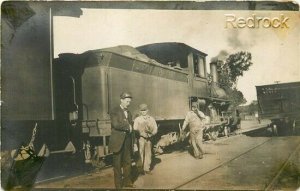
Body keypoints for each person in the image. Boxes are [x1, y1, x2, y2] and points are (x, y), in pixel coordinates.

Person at [108, 92, 135, 188]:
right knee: (117, 165)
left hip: (127, 142)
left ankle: (128, 182)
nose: (129, 103)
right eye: (127, 101)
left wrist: (133, 142)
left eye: (130, 102)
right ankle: (118, 186)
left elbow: (132, 127)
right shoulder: (114, 111)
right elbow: (115, 124)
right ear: (121, 100)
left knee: (128, 162)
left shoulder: (129, 113)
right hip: (117, 142)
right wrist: (128, 126)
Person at [133, 104, 158, 175]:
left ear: (147, 110)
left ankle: (147, 168)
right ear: (140, 111)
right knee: (140, 153)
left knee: (148, 153)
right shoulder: (137, 119)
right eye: (142, 110)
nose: (143, 112)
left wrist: (152, 134)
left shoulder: (151, 119)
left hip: (149, 139)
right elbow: (135, 129)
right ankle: (140, 169)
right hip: (140, 138)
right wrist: (141, 134)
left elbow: (155, 128)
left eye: (145, 110)